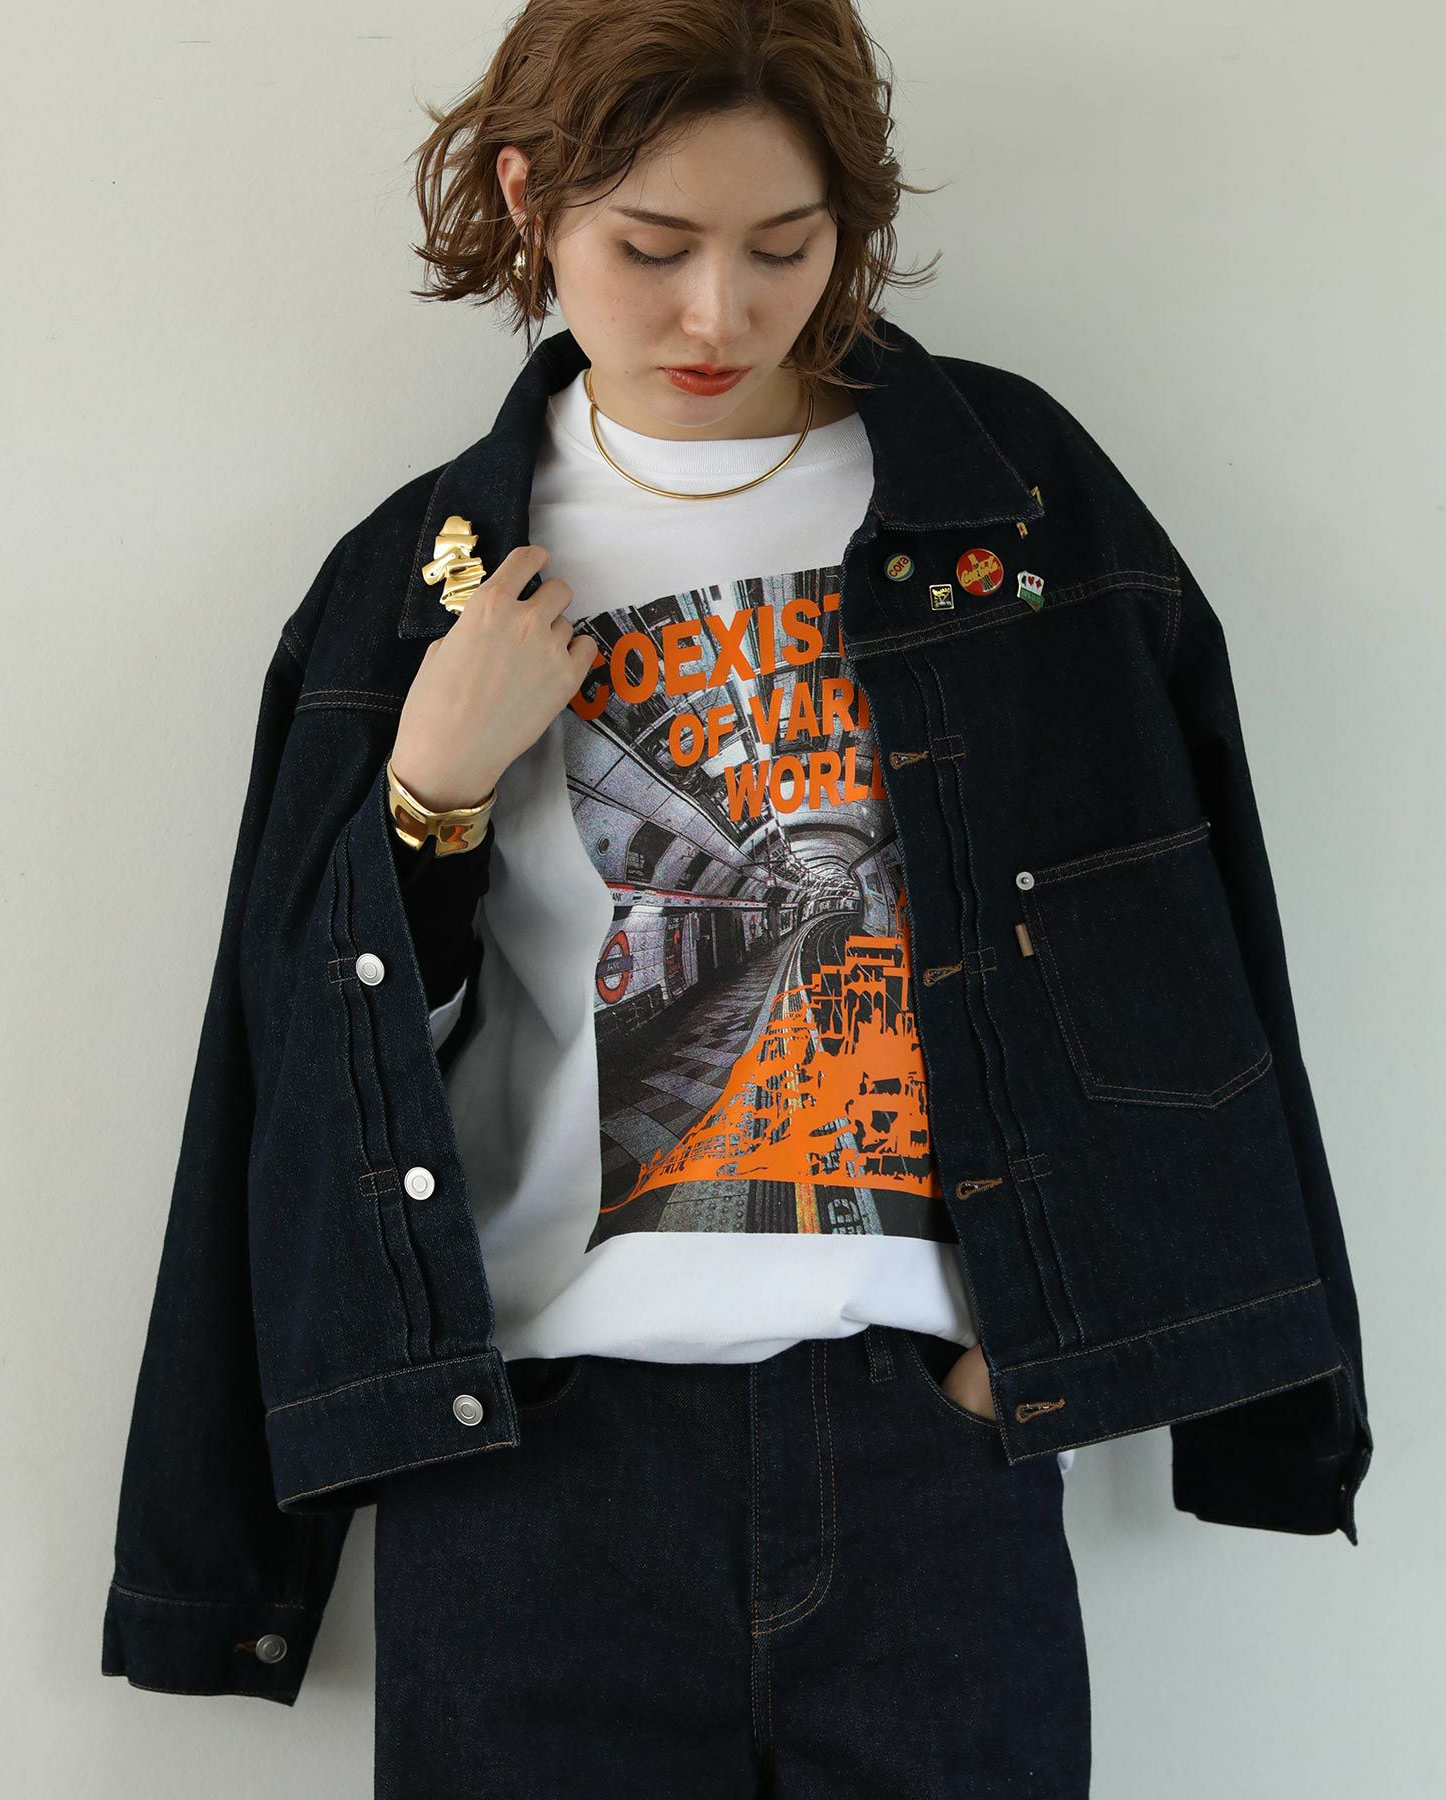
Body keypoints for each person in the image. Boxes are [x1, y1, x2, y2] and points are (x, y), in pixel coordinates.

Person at [101, 4, 1372, 1797]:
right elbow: (302, 1077)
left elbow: (1192, 936)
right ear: (529, 200)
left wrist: (1022, 1377)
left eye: (785, 247)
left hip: (929, 1452)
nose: (719, 313)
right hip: (535, 1482)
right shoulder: (408, 586)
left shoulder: (1010, 507)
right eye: (652, 247)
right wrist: (430, 787)